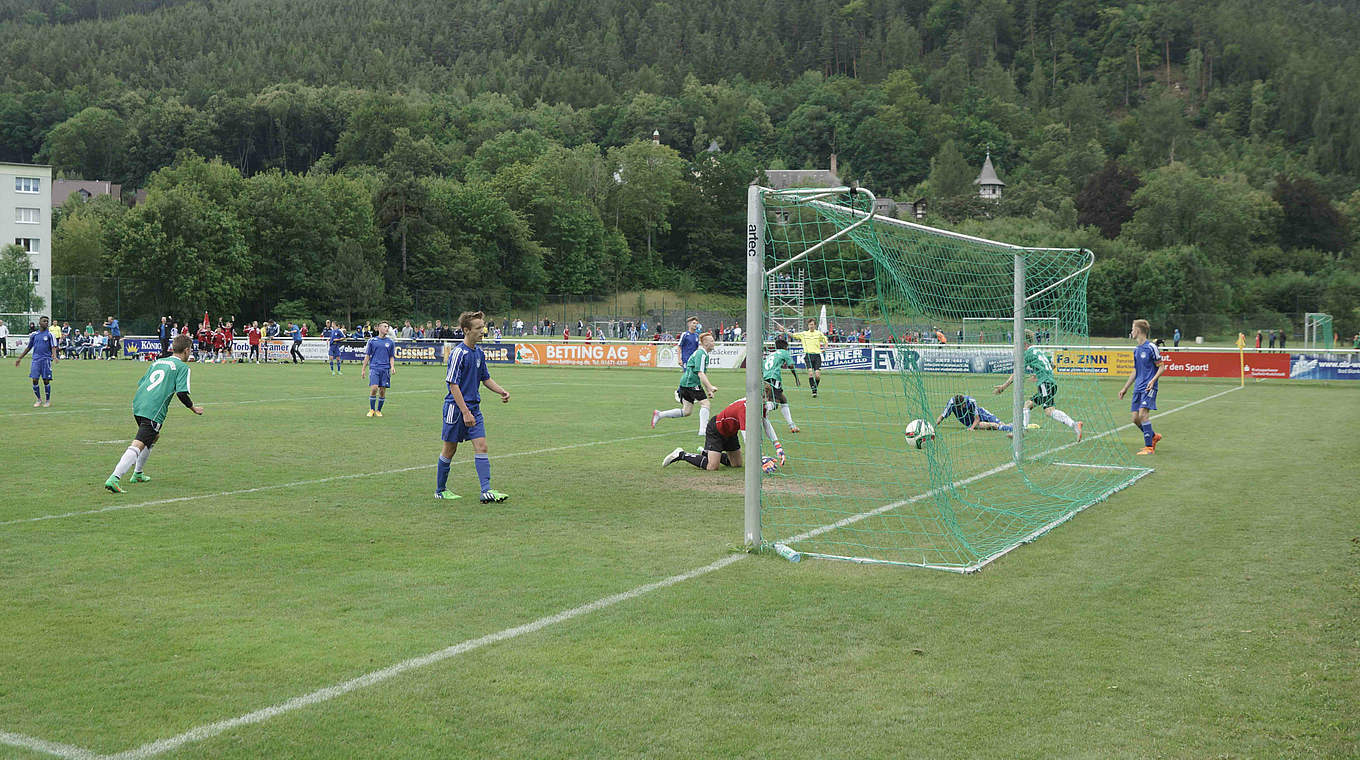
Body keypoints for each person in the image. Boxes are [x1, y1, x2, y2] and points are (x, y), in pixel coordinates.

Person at [104, 334, 203, 493]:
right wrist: (194, 408)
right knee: (139, 443)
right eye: (190, 350)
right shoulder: (183, 367)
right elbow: (181, 393)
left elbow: (142, 382)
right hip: (153, 409)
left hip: (138, 403)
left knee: (153, 437)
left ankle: (138, 473)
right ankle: (114, 478)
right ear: (186, 350)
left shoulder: (158, 361)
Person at [435, 311, 511, 503]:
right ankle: (440, 490)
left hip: (474, 409)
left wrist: (501, 391)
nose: (482, 331)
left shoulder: (478, 353)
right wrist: (465, 412)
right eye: (478, 328)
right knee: (449, 450)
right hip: (456, 409)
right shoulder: (458, 353)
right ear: (466, 330)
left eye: (483, 327)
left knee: (482, 446)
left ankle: (486, 490)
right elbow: (453, 384)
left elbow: (485, 378)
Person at [993, 330, 1083, 441]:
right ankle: (1022, 429)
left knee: (1049, 410)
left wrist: (1004, 386)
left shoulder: (1028, 354)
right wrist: (1038, 373)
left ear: (1024, 343)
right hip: (1049, 383)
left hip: (1045, 383)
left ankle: (1074, 424)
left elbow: (1017, 373)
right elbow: (1053, 365)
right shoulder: (1039, 351)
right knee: (1028, 404)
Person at [662, 392, 784, 471]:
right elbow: (748, 438)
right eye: (764, 398)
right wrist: (760, 458)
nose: (766, 402)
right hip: (716, 429)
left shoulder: (760, 406)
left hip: (730, 432)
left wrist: (777, 446)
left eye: (766, 399)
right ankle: (681, 454)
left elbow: (766, 423)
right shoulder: (745, 409)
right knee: (712, 467)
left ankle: (707, 453)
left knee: (736, 464)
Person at [1118, 319, 1167, 456]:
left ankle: (1149, 447)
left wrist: (1153, 381)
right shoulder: (1136, 350)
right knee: (1135, 419)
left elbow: (1162, 367)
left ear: (1138, 331)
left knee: (1143, 414)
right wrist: (1125, 388)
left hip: (1148, 387)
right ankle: (1153, 436)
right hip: (1138, 388)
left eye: (1133, 329)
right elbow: (1136, 370)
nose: (1131, 332)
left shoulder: (1151, 347)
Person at [652, 331, 717, 433]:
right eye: (712, 341)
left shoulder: (703, 354)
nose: (714, 343)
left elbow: (701, 374)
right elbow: (700, 373)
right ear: (705, 343)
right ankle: (703, 432)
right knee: (705, 404)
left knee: (686, 411)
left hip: (686, 383)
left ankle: (659, 414)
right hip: (690, 383)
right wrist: (710, 387)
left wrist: (709, 390)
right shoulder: (701, 354)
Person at [14, 316, 58, 407]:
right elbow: (29, 347)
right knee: (34, 380)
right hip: (35, 360)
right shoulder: (34, 335)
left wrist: (54, 356)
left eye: (47, 321)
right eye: (44, 321)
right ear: (39, 323)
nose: (46, 322)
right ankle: (38, 399)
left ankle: (47, 400)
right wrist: (20, 358)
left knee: (46, 380)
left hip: (46, 360)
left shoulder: (50, 335)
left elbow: (53, 347)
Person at [762, 336, 801, 433]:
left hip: (765, 378)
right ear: (784, 347)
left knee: (783, 399)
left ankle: (792, 425)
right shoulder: (784, 352)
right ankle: (758, 412)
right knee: (774, 403)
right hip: (774, 378)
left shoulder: (771, 354)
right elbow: (791, 365)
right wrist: (796, 378)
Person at [362, 321, 396, 417]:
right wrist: (363, 369)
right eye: (385, 326)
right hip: (374, 368)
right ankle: (372, 409)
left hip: (385, 369)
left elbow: (391, 356)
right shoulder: (372, 341)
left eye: (387, 327)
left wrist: (392, 367)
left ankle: (378, 410)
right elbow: (367, 356)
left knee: (382, 391)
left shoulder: (390, 342)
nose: (387, 328)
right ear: (379, 328)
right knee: (374, 388)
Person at [791, 318, 829, 397]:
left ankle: (815, 388)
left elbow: (825, 341)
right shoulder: (804, 334)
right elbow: (792, 335)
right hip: (808, 355)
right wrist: (784, 330)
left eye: (812, 324)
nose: (811, 326)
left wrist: (825, 348)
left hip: (817, 356)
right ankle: (814, 391)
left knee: (818, 375)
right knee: (811, 373)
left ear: (815, 325)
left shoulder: (819, 333)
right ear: (808, 325)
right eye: (810, 324)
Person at [936, 394, 1013, 432]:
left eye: (961, 406)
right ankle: (1011, 429)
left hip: (981, 414)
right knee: (992, 426)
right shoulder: (951, 403)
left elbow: (977, 418)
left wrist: (971, 428)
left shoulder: (971, 401)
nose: (959, 408)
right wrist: (935, 425)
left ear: (963, 403)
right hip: (970, 422)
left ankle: (1014, 427)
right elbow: (942, 416)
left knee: (1001, 423)